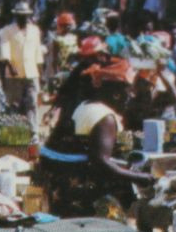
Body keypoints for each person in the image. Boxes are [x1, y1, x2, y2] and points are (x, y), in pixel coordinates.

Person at [35, 58, 152, 218]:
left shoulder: (86, 105)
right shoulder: (104, 117)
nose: (130, 97)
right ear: (116, 93)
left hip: (56, 177)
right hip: (72, 184)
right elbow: (101, 161)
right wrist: (138, 177)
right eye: (128, 91)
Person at [0, 1, 44, 122]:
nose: (23, 18)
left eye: (25, 15)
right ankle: (15, 130)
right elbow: (4, 50)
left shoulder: (35, 31)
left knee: (32, 103)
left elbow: (38, 53)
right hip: (14, 74)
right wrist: (11, 66)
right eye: (20, 15)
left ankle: (34, 132)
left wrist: (40, 75)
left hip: (32, 73)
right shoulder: (7, 31)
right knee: (14, 104)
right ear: (16, 16)